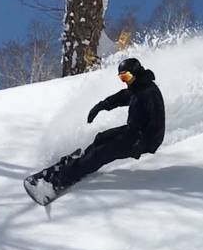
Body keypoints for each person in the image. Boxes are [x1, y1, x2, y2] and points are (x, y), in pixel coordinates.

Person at [48, 57, 165, 190]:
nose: (125, 81)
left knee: (102, 153)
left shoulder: (149, 92)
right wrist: (101, 106)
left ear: (136, 72)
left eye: (126, 76)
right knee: (101, 138)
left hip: (145, 139)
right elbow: (122, 96)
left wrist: (141, 144)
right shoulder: (138, 86)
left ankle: (62, 178)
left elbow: (156, 124)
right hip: (133, 131)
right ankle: (81, 163)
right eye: (122, 78)